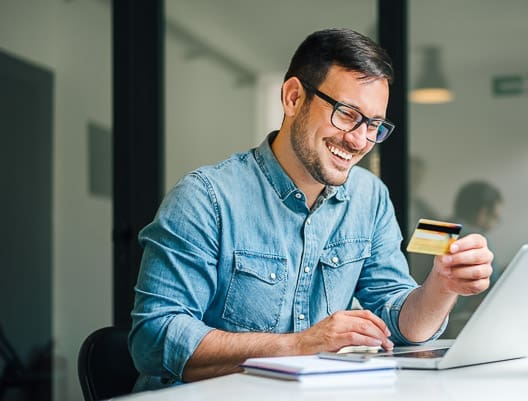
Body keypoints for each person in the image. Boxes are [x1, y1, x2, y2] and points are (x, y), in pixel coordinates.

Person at [129, 28, 493, 391]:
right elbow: (155, 337)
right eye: (346, 114)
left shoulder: (370, 198)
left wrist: (442, 285)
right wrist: (301, 345)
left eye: (374, 125)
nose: (359, 140)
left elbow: (399, 323)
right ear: (292, 98)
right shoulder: (205, 198)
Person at [442, 180, 503, 337]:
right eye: (495, 217)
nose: (495, 223)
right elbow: (492, 286)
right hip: (456, 320)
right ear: (482, 213)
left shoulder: (441, 229)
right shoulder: (476, 239)